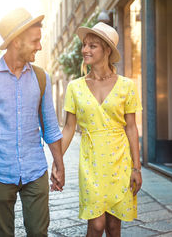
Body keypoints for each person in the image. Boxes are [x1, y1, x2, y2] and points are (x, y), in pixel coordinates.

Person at [0, 7, 65, 237]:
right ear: (17, 42)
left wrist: (58, 163)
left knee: (39, 233)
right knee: (3, 234)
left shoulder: (42, 78)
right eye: (35, 41)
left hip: (35, 170)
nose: (40, 46)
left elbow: (50, 126)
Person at [53, 22, 142, 237]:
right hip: (91, 161)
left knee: (113, 226)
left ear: (107, 50)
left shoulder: (127, 86)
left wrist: (136, 168)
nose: (85, 50)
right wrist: (58, 162)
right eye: (84, 45)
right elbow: (68, 128)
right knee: (97, 225)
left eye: (92, 46)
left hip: (120, 161)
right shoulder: (75, 87)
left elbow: (131, 128)